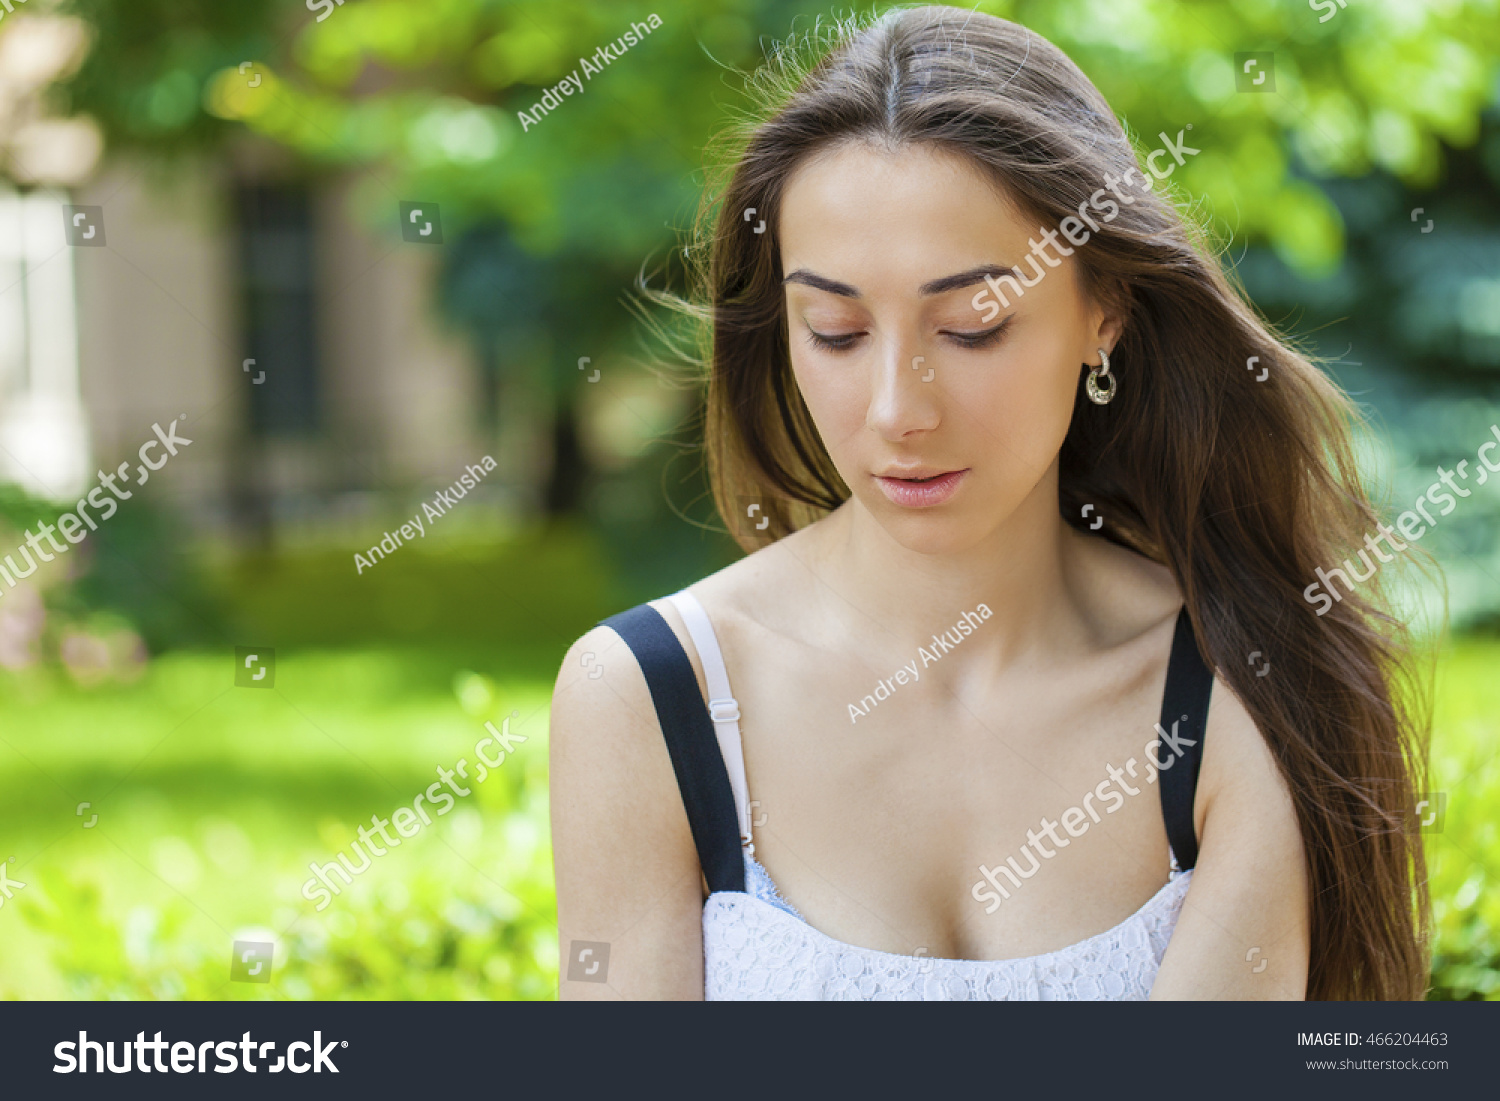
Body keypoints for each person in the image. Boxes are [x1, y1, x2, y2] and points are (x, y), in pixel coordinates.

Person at [551, 5, 1430, 1000]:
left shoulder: (1240, 689)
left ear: (1103, 310)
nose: (896, 411)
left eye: (973, 326)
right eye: (836, 331)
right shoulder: (649, 699)